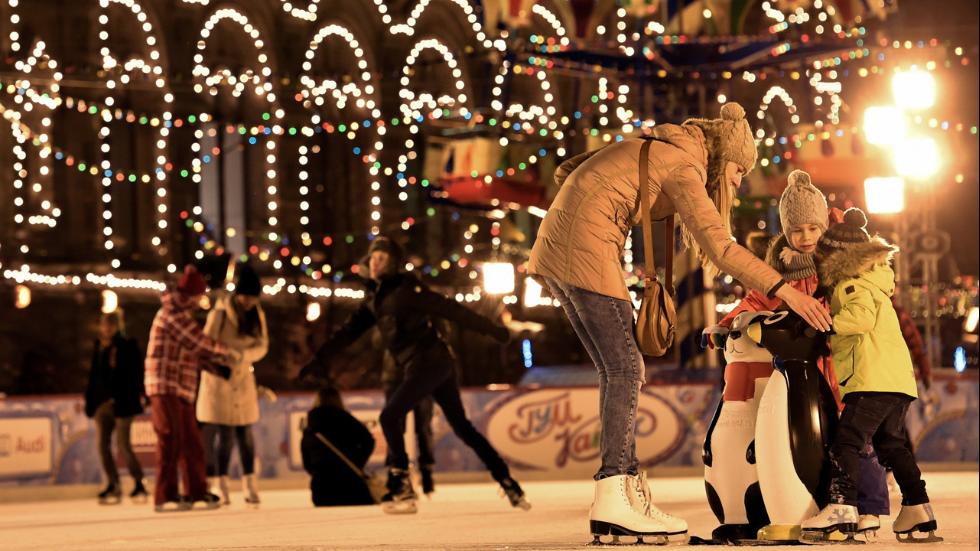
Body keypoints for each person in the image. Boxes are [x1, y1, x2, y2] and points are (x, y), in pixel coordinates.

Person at [528, 103, 832, 541]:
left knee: (615, 369)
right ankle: (614, 494)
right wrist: (784, 290)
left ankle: (623, 492)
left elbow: (566, 171)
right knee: (625, 369)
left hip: (554, 248)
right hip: (587, 250)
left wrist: (616, 186)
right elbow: (721, 248)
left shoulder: (658, 146)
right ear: (723, 159)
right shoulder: (683, 164)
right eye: (738, 171)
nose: (737, 182)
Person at [709, 170, 889, 536]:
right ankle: (823, 503)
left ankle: (868, 508)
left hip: (842, 363)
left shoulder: (839, 262)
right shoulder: (783, 268)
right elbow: (756, 299)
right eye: (796, 231)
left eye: (812, 228)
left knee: (854, 438)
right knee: (815, 439)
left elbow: (858, 302)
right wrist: (728, 323)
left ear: (823, 226)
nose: (805, 237)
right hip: (804, 370)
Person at [300, 236, 527, 514]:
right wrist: (318, 360)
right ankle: (507, 481)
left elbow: (450, 309)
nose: (376, 263)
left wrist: (492, 330)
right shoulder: (374, 300)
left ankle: (402, 485)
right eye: (373, 258)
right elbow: (347, 333)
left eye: (382, 258)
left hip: (431, 363)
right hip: (427, 366)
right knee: (462, 427)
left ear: (393, 263)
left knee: (390, 416)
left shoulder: (407, 290)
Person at [801, 209, 940, 543]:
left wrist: (825, 326)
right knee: (891, 445)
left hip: (872, 379)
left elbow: (860, 319)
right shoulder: (875, 281)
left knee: (846, 441)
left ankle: (842, 506)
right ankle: (917, 507)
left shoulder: (851, 284)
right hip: (896, 381)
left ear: (835, 258)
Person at [145, 264, 240, 512]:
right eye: (200, 296)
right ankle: (165, 496)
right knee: (171, 439)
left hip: (181, 387)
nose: (201, 301)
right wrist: (228, 351)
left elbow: (193, 353)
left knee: (191, 442)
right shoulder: (172, 315)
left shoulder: (182, 316)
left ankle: (196, 491)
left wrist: (216, 368)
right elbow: (198, 343)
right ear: (191, 295)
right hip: (165, 386)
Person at [197, 264, 269, 506]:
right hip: (222, 380)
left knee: (246, 435)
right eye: (245, 297)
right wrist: (226, 355)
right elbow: (205, 344)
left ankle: (250, 485)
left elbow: (262, 346)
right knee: (226, 436)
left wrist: (244, 356)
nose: (249, 302)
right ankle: (222, 483)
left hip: (243, 379)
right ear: (238, 294)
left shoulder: (257, 315)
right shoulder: (219, 314)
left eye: (253, 298)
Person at [84, 309, 148, 504]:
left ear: (117, 326)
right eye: (104, 324)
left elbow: (136, 373)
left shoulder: (127, 345)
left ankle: (138, 482)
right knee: (102, 446)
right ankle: (113, 483)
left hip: (123, 404)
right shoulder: (99, 346)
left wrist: (141, 395)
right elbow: (94, 376)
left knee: (123, 444)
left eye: (110, 325)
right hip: (101, 404)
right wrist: (91, 402)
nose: (107, 328)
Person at [301, 386, 377, 506]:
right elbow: (368, 440)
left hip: (322, 492)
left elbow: (306, 461)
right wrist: (357, 461)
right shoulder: (346, 419)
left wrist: (318, 472)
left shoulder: (310, 428)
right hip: (351, 488)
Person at [381, 350, 437, 496]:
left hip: (419, 376)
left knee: (422, 427)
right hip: (398, 376)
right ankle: (396, 471)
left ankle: (425, 472)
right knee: (394, 425)